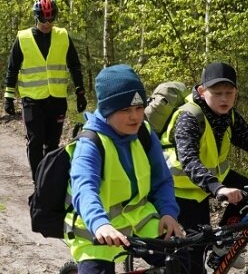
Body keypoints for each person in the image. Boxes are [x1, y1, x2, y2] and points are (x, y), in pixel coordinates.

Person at [161, 62, 248, 272]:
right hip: (183, 186)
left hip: (214, 179)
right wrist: (218, 188)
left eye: (229, 92)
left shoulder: (229, 115)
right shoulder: (189, 117)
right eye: (217, 93)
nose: (224, 98)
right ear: (202, 91)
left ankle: (220, 249)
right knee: (196, 247)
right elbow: (189, 160)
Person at [67, 64, 185, 274]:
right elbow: (84, 190)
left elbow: (162, 179)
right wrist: (100, 223)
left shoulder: (144, 133)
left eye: (139, 108)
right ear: (106, 110)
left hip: (139, 220)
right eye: (125, 110)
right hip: (94, 228)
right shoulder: (90, 143)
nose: (135, 117)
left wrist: (168, 212)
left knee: (181, 260)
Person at [4, 0, 86, 178]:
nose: (47, 23)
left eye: (51, 19)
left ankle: (48, 181)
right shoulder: (23, 38)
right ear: (36, 17)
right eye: (43, 19)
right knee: (35, 141)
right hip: (32, 100)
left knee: (52, 143)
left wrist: (80, 91)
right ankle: (37, 181)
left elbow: (74, 64)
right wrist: (8, 97)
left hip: (56, 99)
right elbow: (12, 69)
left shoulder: (63, 36)